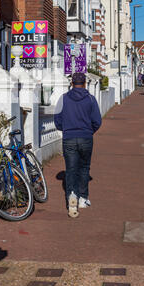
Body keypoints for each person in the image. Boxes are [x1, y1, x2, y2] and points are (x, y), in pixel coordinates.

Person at [54, 72, 102, 218]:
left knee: (70, 169)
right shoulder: (91, 99)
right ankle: (83, 198)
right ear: (85, 84)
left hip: (69, 137)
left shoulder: (63, 98)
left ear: (71, 83)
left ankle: (71, 197)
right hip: (86, 137)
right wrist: (88, 131)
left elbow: (57, 119)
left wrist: (67, 129)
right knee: (84, 167)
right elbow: (97, 121)